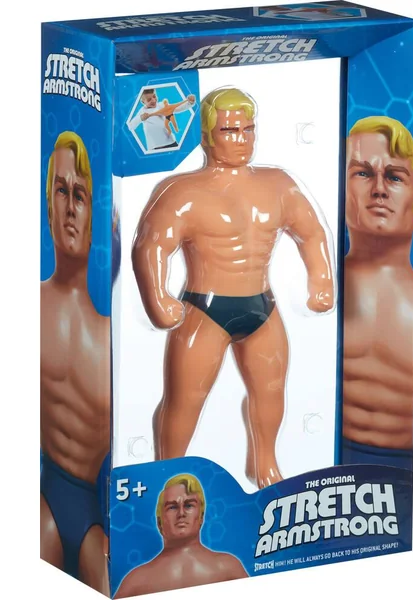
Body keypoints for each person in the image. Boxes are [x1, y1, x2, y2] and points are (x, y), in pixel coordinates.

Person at [132, 87, 335, 489]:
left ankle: (264, 466)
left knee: (271, 391)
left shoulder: (278, 185)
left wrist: (322, 280)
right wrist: (157, 299)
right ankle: (166, 475)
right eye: (229, 130)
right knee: (185, 400)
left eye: (248, 129)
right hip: (203, 310)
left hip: (262, 306)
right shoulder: (183, 191)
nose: (242, 139)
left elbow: (312, 233)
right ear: (207, 136)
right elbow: (150, 246)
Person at [40, 131, 110, 593]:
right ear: (48, 204)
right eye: (61, 191)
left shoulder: (111, 339)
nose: (69, 208)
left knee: (110, 582)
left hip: (92, 512)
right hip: (42, 501)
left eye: (80, 195)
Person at [342, 116, 413, 471]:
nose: (378, 190)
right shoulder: (313, 290)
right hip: (321, 466)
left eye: (394, 177)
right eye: (362, 173)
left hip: (412, 474)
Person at [114, 474, 247, 597]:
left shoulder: (228, 568)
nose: (181, 513)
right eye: (172, 507)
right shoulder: (136, 582)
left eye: (189, 505)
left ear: (201, 516)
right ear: (159, 521)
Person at [127, 88, 196, 151]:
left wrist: (190, 103)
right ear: (143, 102)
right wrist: (140, 118)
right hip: (154, 147)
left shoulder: (161, 105)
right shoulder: (142, 111)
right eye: (149, 100)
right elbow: (130, 126)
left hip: (171, 143)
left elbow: (177, 108)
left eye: (154, 96)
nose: (153, 100)